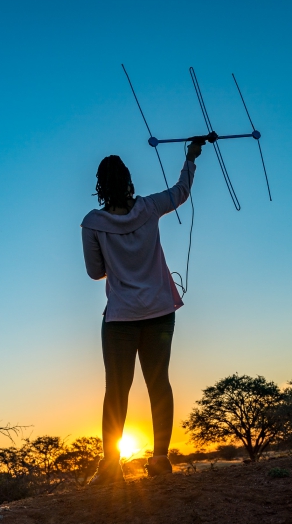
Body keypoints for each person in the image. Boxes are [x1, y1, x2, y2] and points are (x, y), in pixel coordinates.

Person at [80, 139, 202, 484]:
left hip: (120, 317)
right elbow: (181, 192)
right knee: (158, 383)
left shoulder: (92, 223)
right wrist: (190, 158)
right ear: (129, 179)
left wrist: (117, 263)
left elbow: (94, 272)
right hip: (161, 312)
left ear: (100, 186)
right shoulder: (150, 207)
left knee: (116, 390)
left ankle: (109, 468)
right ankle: (160, 460)